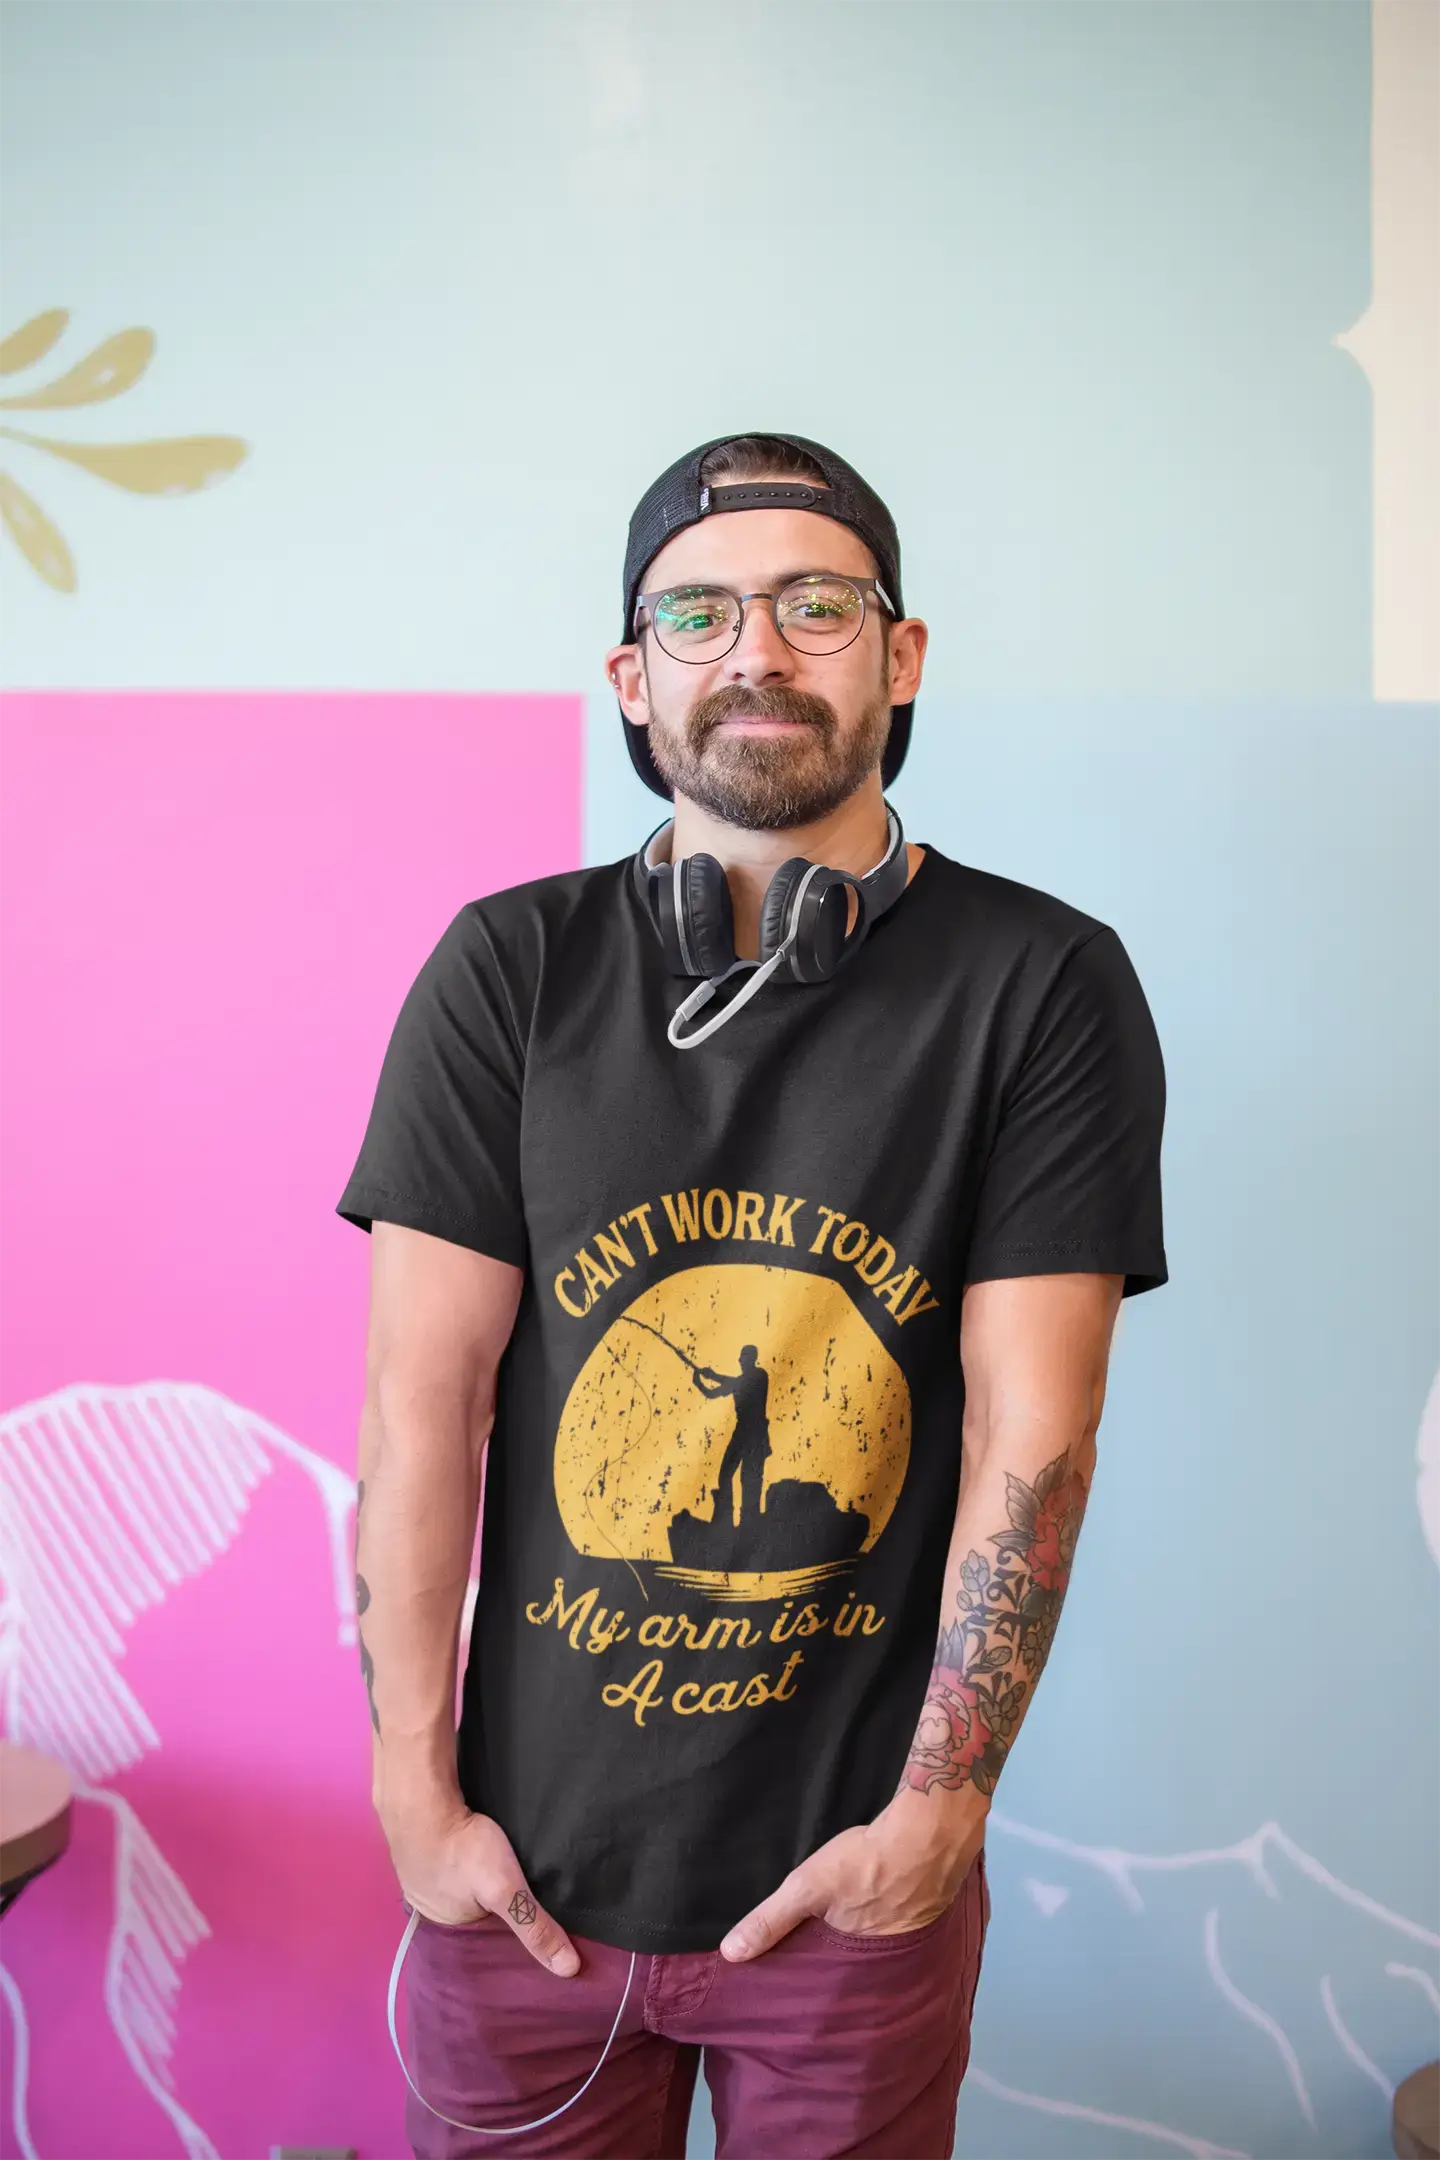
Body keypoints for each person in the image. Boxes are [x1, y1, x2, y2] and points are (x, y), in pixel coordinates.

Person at [338, 432, 1168, 2158]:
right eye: (700, 614)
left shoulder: (1042, 985)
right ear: (634, 680)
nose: (759, 652)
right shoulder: (507, 973)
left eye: (817, 605)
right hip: (522, 1893)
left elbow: (1034, 1432)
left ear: (901, 655)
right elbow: (423, 1410)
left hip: (855, 1893)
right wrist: (415, 1799)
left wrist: (936, 1821)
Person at [692, 1345, 771, 1527]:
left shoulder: (760, 1376)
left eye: (744, 1358)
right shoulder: (739, 1383)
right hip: (742, 1432)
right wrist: (699, 1383)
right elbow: (712, 1393)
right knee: (725, 1475)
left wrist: (713, 1375)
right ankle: (725, 1518)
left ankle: (748, 1523)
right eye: (740, 1358)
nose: (740, 1361)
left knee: (750, 1480)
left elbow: (738, 1383)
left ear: (752, 1359)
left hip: (755, 1434)